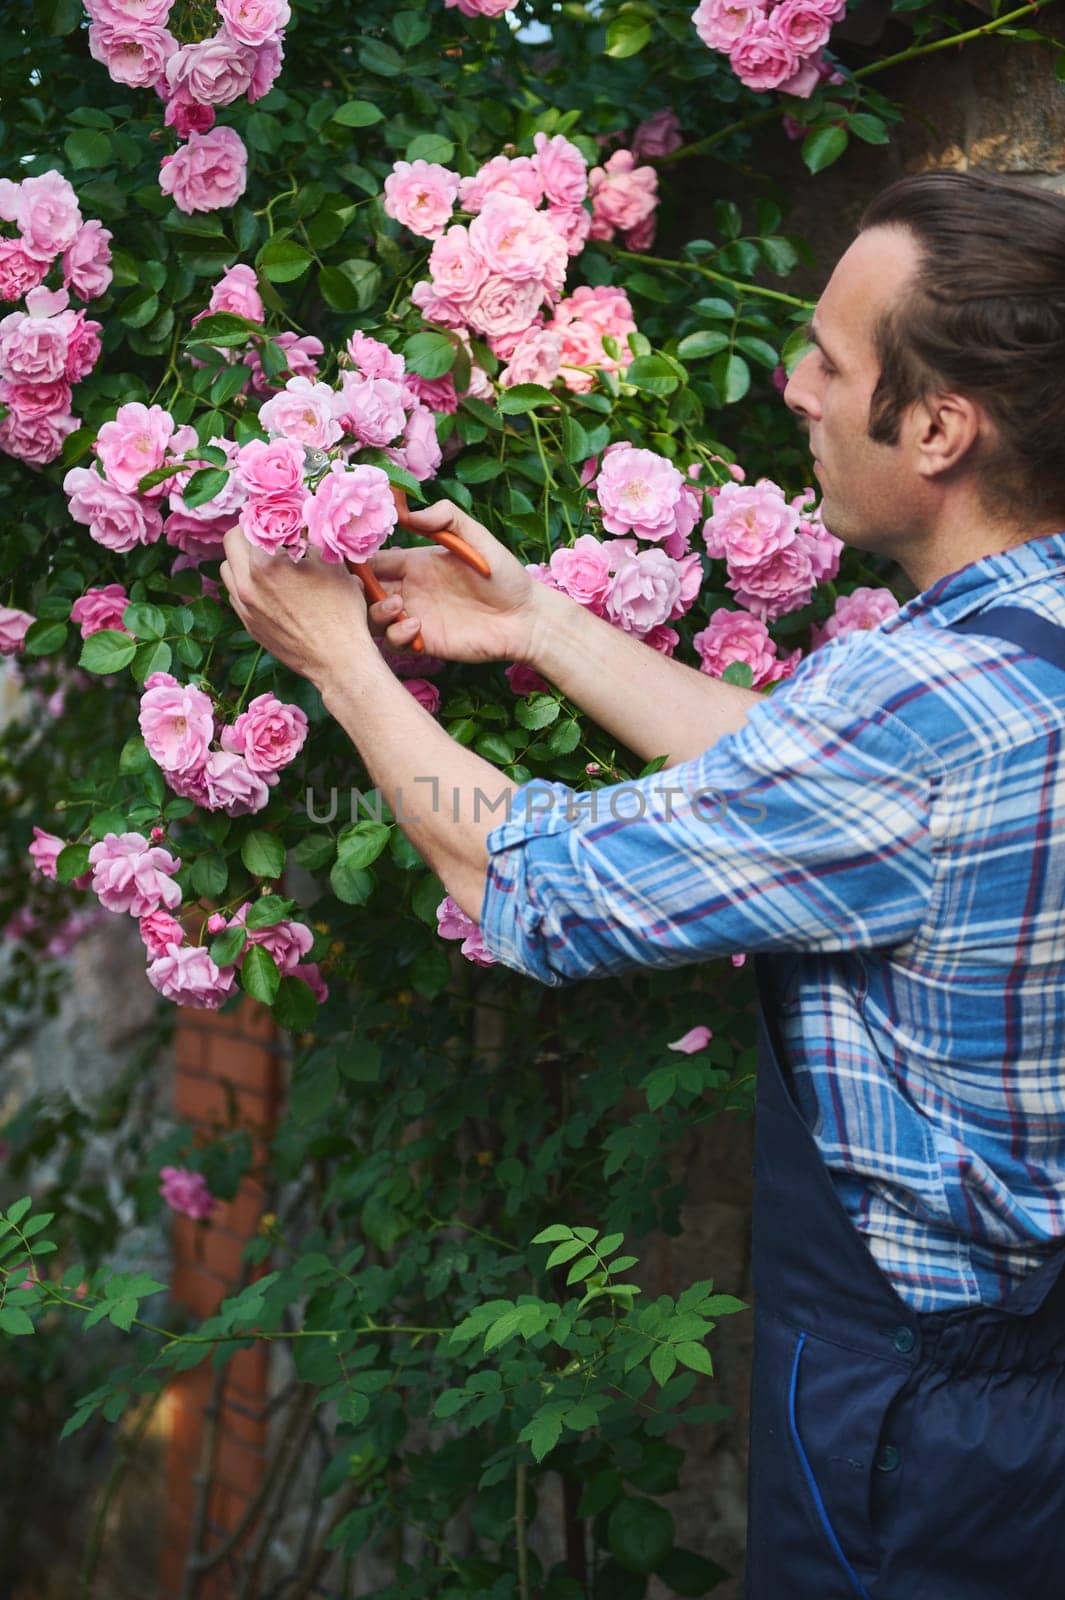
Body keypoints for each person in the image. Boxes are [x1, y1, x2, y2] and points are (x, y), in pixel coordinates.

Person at [220, 168, 1065, 1598]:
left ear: (937, 427)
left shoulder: (915, 705)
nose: (794, 386)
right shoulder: (1008, 658)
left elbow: (534, 886)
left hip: (919, 1425)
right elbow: (821, 800)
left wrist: (340, 667)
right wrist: (543, 624)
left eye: (827, 360)